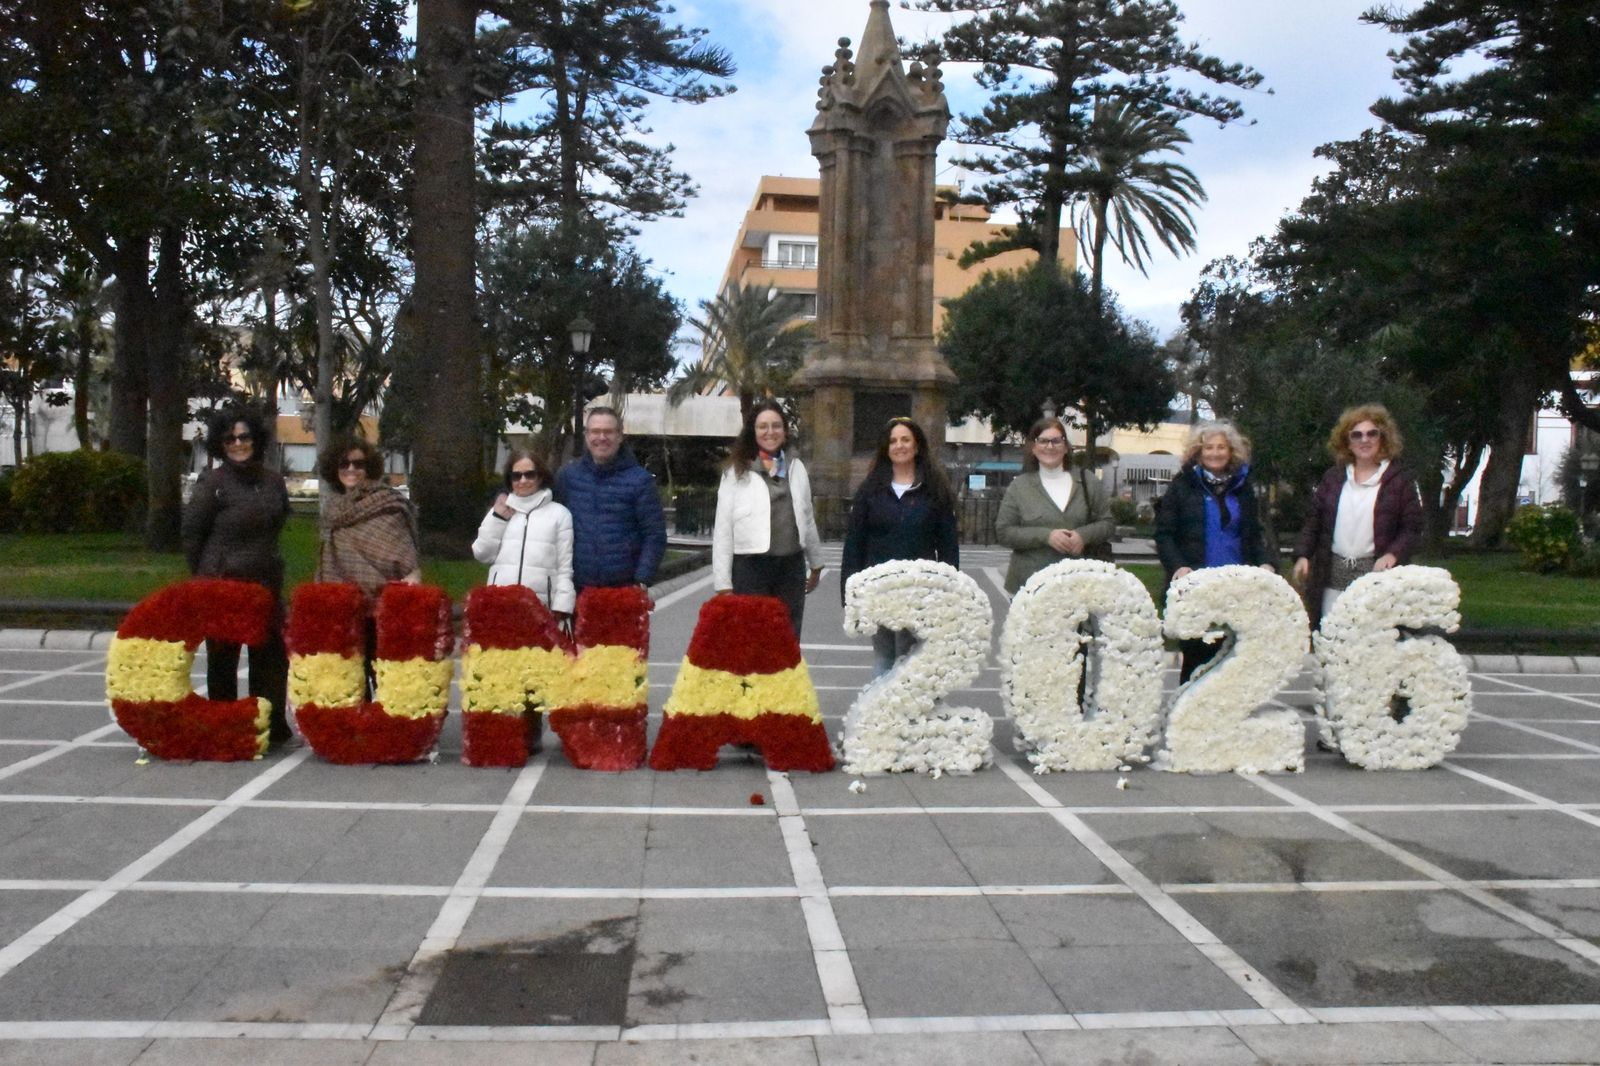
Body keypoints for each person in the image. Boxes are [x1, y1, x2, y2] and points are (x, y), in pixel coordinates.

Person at [181, 406, 290, 743]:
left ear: (256, 440)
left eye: (244, 437)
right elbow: (192, 534)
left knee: (271, 658)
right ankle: (225, 725)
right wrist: (206, 576)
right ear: (220, 444)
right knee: (223, 659)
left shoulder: (273, 481)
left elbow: (279, 520)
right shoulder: (213, 483)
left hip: (264, 580)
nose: (238, 444)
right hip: (223, 583)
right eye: (230, 439)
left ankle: (269, 725)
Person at [1155, 420, 1276, 682]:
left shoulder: (1244, 489)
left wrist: (1265, 563)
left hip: (1236, 590)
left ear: (1231, 451)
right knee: (1196, 661)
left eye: (1221, 447)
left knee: (1233, 662)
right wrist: (1178, 566)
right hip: (1196, 587)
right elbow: (1164, 534)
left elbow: (1255, 535)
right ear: (1198, 452)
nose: (1215, 453)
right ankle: (1188, 717)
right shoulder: (1182, 487)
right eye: (1208, 447)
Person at [841, 416, 960, 676]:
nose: (899, 445)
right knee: (884, 656)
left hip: (921, 591)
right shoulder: (870, 490)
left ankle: (910, 715)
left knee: (912, 658)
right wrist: (849, 595)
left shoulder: (935, 491)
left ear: (917, 446)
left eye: (905, 439)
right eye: (893, 441)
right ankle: (879, 714)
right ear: (886, 448)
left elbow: (949, 546)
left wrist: (950, 590)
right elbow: (854, 544)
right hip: (879, 589)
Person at [1292, 404, 1423, 628]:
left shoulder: (1400, 480)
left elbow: (1412, 527)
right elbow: (1314, 521)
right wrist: (1303, 555)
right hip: (1332, 577)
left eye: (1372, 433)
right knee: (1332, 637)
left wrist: (1393, 554)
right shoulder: (1333, 478)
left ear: (1383, 438)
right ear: (1347, 441)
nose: (1365, 440)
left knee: (1370, 642)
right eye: (1357, 435)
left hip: (1376, 577)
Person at [315, 436, 420, 693]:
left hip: (383, 604)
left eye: (358, 464)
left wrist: (412, 573)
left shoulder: (387, 503)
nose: (351, 470)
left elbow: (400, 550)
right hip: (343, 605)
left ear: (369, 467)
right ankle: (356, 728)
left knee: (385, 676)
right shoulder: (332, 509)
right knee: (348, 676)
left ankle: (385, 730)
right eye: (344, 464)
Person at [711, 400, 824, 638]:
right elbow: (723, 529)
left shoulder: (796, 467)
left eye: (776, 426)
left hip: (790, 566)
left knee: (788, 638)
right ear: (753, 432)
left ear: (785, 430)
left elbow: (807, 517)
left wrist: (816, 564)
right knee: (753, 640)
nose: (770, 432)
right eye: (763, 426)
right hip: (750, 567)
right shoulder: (736, 472)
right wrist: (723, 583)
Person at [553, 406, 667, 595]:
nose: (602, 438)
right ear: (587, 435)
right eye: (595, 431)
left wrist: (642, 579)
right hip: (577, 589)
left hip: (624, 590)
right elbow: (534, 492)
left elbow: (654, 535)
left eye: (608, 431)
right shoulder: (568, 476)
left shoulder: (640, 481)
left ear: (620, 436)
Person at [995, 416, 1115, 595]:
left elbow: (1107, 523)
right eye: (1043, 441)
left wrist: (1083, 536)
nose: (1049, 446)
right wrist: (1046, 536)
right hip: (1030, 587)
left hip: (1081, 585)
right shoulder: (1019, 486)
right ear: (1033, 448)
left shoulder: (1087, 480)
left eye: (1056, 441)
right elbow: (1003, 532)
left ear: (1066, 447)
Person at [472, 450, 576, 618]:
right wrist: (497, 518)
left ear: (540, 477)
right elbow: (482, 554)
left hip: (541, 608)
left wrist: (562, 606)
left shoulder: (560, 514)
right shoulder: (499, 510)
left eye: (529, 475)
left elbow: (565, 566)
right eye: (516, 476)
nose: (523, 481)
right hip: (500, 603)